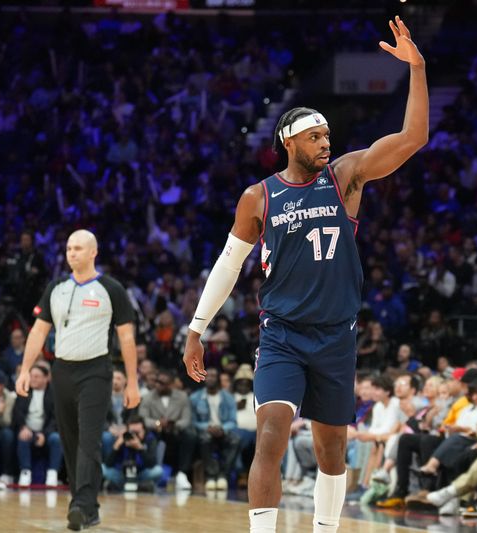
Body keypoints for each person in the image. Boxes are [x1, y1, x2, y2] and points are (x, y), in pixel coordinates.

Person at [182, 16, 428, 533]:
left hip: (337, 334)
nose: (325, 144)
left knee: (331, 448)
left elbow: (413, 137)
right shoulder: (259, 196)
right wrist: (197, 328)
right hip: (283, 334)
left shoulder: (346, 176)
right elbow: (229, 265)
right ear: (289, 142)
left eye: (328, 136)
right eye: (316, 137)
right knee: (271, 432)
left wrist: (419, 69)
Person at [15, 229, 141, 531]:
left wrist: (133, 382)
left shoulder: (111, 289)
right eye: (69, 248)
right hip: (61, 371)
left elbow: (126, 338)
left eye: (78, 248)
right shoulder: (56, 288)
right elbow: (38, 332)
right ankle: (88, 506)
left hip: (96, 371)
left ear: (93, 252)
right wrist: (24, 369)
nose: (72, 253)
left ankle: (81, 506)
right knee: (71, 441)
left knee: (88, 440)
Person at [12, 364, 62, 487]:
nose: (33, 379)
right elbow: (17, 413)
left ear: (46, 378)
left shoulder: (55, 394)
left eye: (37, 376)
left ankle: (52, 473)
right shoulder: (23, 391)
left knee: (56, 439)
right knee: (22, 437)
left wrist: (44, 434)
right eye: (31, 376)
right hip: (28, 430)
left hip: (47, 432)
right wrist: (23, 427)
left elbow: (55, 418)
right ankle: (25, 472)